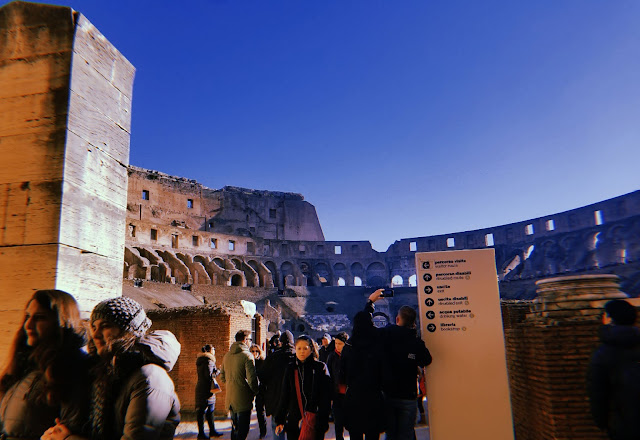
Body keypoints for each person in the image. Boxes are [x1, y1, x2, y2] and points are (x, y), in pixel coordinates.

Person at [42, 296, 181, 440]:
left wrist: (67, 438)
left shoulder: (150, 377)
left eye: (105, 326)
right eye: (94, 327)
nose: (95, 334)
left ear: (128, 331)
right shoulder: (105, 373)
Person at [0, 290, 90, 439]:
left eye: (40, 318)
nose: (28, 325)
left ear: (60, 322)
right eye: (28, 316)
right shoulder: (25, 364)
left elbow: (70, 428)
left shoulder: (73, 366)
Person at [370, 289, 432, 440]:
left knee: (391, 434)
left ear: (397, 319)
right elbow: (427, 360)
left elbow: (366, 330)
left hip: (388, 393)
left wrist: (370, 303)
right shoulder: (416, 342)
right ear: (413, 323)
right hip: (408, 395)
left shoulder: (386, 334)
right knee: (406, 434)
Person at [588, 299, 640, 440]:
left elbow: (598, 393)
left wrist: (602, 422)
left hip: (622, 424)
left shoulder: (603, 354)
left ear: (609, 318)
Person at [342, 305, 387, 440]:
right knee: (373, 435)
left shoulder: (349, 346)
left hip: (354, 396)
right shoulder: (378, 345)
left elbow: (343, 373)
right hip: (374, 396)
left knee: (355, 435)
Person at [275, 335, 331, 440]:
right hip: (294, 421)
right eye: (299, 348)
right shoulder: (291, 368)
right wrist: (280, 420)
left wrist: (323, 421)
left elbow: (326, 398)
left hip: (315, 422)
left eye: (305, 348)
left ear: (311, 349)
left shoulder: (320, 368)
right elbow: (285, 395)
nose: (302, 351)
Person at [220, 330, 258, 440]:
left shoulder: (227, 355)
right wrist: (255, 391)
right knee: (243, 430)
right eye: (250, 339)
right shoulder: (247, 356)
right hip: (243, 399)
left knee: (235, 428)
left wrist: (232, 383)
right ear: (245, 340)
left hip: (230, 398)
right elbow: (252, 379)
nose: (251, 342)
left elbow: (222, 377)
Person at [258, 331, 295, 440]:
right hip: (293, 402)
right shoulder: (297, 357)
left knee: (278, 431)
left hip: (276, 401)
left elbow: (262, 376)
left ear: (280, 343)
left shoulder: (273, 357)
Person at [196, 344, 223, 439]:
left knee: (202, 411)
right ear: (209, 350)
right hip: (207, 389)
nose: (215, 350)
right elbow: (210, 376)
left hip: (201, 388)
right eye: (213, 348)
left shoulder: (200, 360)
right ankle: (204, 433)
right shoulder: (209, 361)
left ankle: (205, 432)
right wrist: (219, 370)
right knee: (208, 411)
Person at [326, 332, 349, 440]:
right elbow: (328, 376)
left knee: (350, 422)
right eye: (336, 343)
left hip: (349, 394)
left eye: (340, 343)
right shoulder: (332, 357)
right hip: (336, 394)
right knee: (338, 422)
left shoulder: (350, 356)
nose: (337, 346)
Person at [250, 344, 268, 438]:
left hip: (261, 389)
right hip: (252, 389)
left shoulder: (262, 362)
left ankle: (263, 431)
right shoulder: (248, 362)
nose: (254, 353)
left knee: (260, 410)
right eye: (252, 351)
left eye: (256, 351)